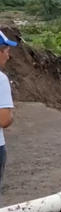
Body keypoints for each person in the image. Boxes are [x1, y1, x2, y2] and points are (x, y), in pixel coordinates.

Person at [0, 30, 17, 192]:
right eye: (6, 51)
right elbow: (4, 120)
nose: (8, 56)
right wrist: (11, 114)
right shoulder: (1, 79)